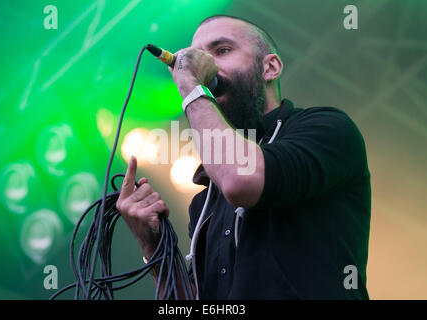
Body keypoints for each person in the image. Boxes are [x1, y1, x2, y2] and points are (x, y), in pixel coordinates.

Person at [116, 15, 371, 300]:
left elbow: (240, 179)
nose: (205, 66)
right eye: (197, 57)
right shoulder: (206, 200)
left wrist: (191, 84)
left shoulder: (326, 128)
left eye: (222, 51)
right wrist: (154, 247)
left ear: (270, 67)